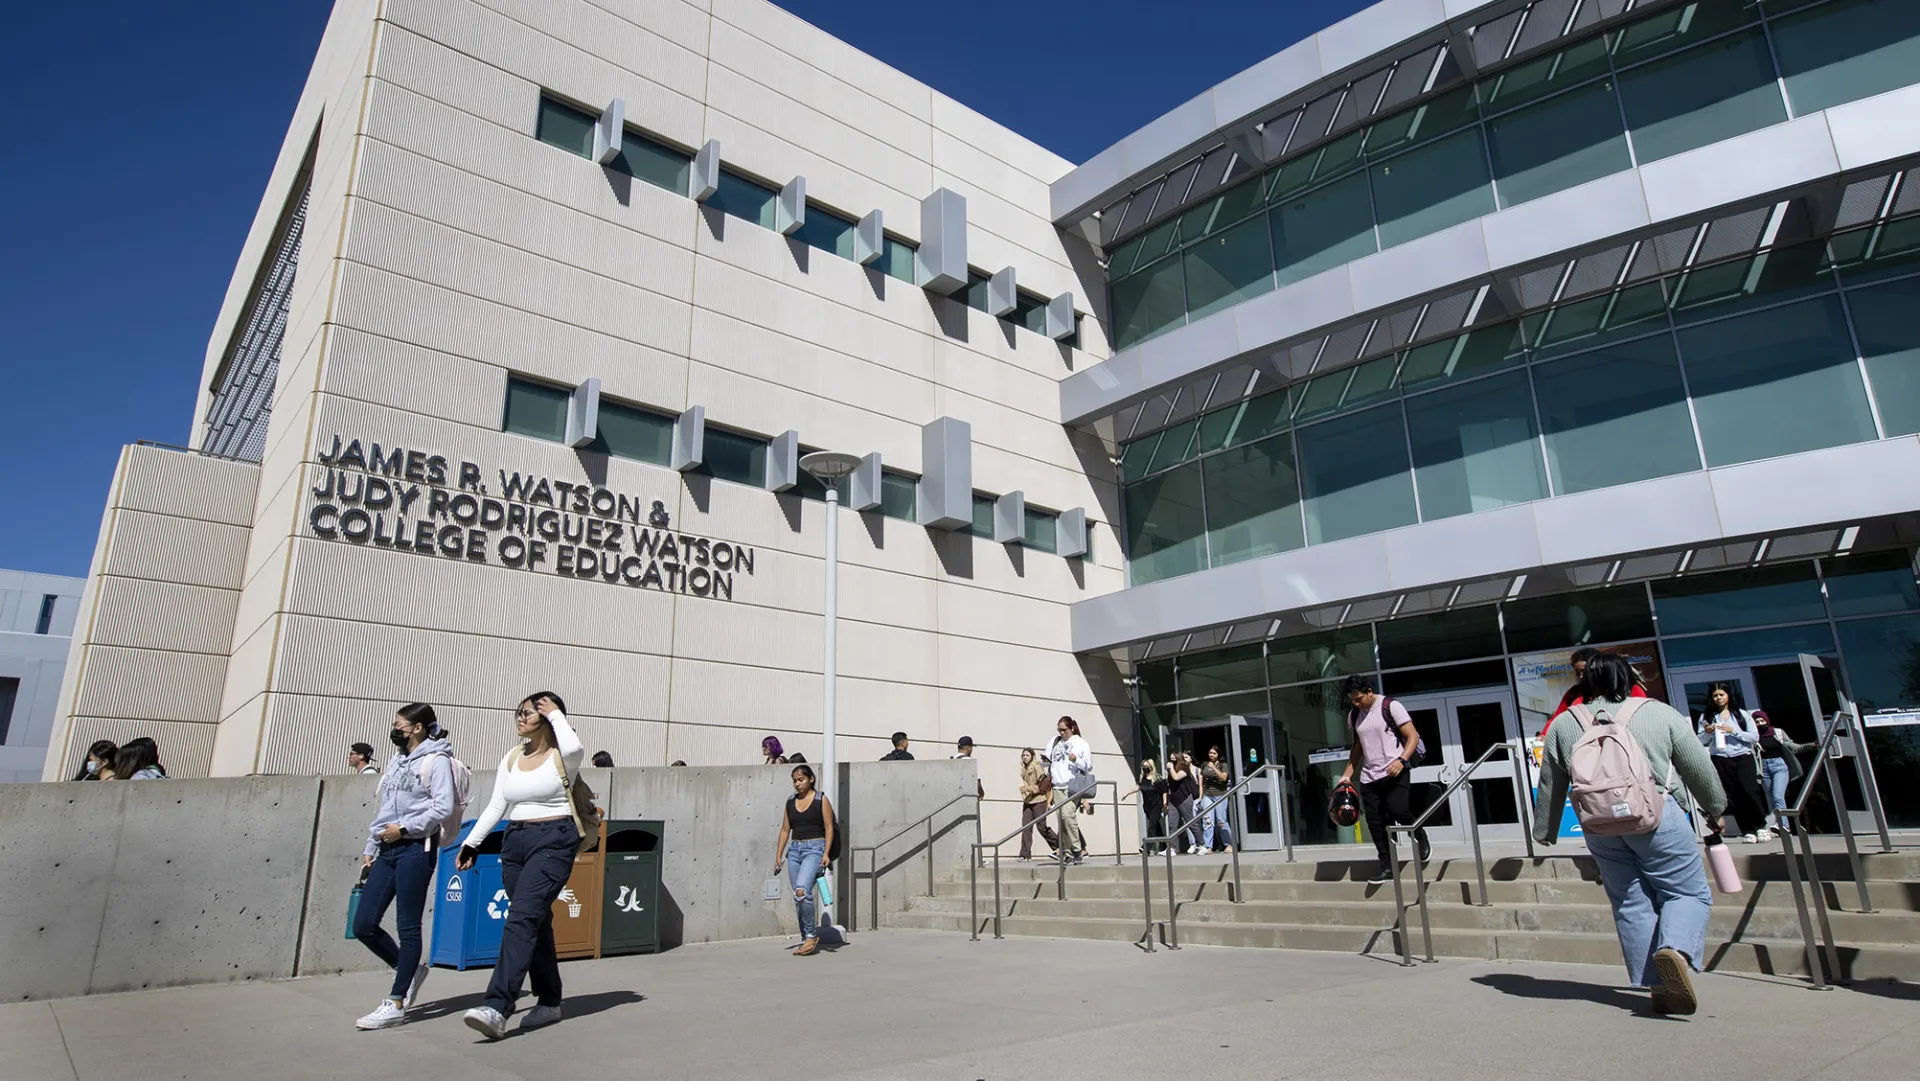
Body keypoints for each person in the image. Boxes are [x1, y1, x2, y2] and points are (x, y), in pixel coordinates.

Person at [1534, 653, 1727, 1015]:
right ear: (1627, 679)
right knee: (1686, 892)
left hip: (1599, 825)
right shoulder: (1656, 712)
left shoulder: (1563, 723)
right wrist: (1715, 809)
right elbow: (1697, 765)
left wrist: (1545, 829)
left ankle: (1657, 985)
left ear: (1585, 683)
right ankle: (1675, 951)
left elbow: (1551, 781)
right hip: (1656, 815)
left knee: (1629, 900)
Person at [456, 692, 583, 1039]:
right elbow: (497, 804)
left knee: (521, 918)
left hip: (554, 840)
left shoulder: (563, 755)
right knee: (535, 921)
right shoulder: (512, 757)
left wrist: (555, 714)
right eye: (519, 713)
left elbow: (574, 747)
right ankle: (550, 1001)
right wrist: (472, 842)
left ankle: (497, 1006)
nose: (520, 718)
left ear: (547, 717)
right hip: (515, 841)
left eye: (529, 713)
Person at [352, 703, 455, 1030]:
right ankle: (409, 971)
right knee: (363, 924)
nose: (395, 730)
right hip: (387, 849)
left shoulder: (436, 760)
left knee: (408, 926)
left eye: (400, 725)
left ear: (418, 728)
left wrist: (406, 829)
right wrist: (371, 846)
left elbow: (443, 806)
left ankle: (396, 1002)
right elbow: (385, 809)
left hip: (416, 849)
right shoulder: (396, 762)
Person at [1337, 674, 1429, 884]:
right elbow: (1357, 747)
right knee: (1376, 824)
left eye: (1359, 699)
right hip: (1369, 777)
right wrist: (1347, 775)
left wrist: (1402, 760)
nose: (1356, 703)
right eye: (1352, 700)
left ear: (1370, 692)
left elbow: (1413, 736)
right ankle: (1387, 866)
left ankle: (1419, 834)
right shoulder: (1354, 715)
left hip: (1395, 771)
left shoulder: (1390, 706)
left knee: (1398, 810)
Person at [771, 763, 836, 956]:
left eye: (801, 780)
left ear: (811, 779)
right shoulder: (791, 801)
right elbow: (785, 830)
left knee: (802, 890)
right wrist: (778, 856)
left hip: (814, 849)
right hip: (795, 851)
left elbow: (829, 827)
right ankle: (806, 937)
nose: (797, 784)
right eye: (794, 781)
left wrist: (826, 853)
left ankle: (810, 936)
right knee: (798, 896)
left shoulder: (820, 799)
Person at [1694, 683, 1771, 841]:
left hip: (1742, 756)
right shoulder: (1706, 717)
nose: (1718, 698)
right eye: (1715, 695)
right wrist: (1708, 733)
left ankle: (1761, 825)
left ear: (1728, 696)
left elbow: (1754, 737)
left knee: (1750, 790)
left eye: (1721, 694)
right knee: (1734, 795)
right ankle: (1747, 829)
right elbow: (1700, 740)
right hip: (1721, 758)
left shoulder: (1741, 715)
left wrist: (1733, 731)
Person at [1548, 647, 1648, 723]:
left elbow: (1644, 716)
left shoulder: (1629, 690)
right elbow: (1557, 719)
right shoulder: (1574, 693)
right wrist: (1544, 735)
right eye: (1577, 672)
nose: (1581, 676)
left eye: (1585, 671)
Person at [1046, 717, 1092, 864]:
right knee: (1062, 820)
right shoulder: (1055, 741)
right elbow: (1049, 760)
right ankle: (1068, 852)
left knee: (1067, 816)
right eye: (1059, 730)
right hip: (1057, 785)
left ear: (1071, 728)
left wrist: (1076, 760)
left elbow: (1089, 766)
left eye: (1064, 730)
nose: (1061, 733)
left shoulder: (1080, 743)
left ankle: (1077, 850)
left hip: (1072, 785)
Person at [1753, 710, 1804, 833]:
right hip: (1764, 768)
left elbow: (1792, 746)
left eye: (1762, 721)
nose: (1760, 724)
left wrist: (1810, 745)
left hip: (1779, 766)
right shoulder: (1754, 736)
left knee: (1777, 795)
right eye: (1757, 722)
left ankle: (1783, 825)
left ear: (1767, 720)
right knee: (1772, 798)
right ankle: (1781, 825)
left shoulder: (1777, 732)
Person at [1016, 748, 1058, 861]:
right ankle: (1025, 854)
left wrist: (1028, 789)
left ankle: (1059, 846)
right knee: (1026, 827)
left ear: (1032, 756)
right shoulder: (1024, 768)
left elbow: (1043, 784)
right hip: (1028, 800)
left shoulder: (1036, 766)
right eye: (1023, 755)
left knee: (1041, 827)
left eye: (1027, 755)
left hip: (1039, 800)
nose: (1025, 757)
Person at [1124, 758, 1168, 853]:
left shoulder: (1158, 779)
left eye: (1147, 766)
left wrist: (1165, 804)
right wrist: (1127, 794)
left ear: (1151, 767)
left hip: (1157, 806)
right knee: (1156, 827)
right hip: (1148, 807)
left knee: (1152, 826)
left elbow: (1164, 792)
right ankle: (1164, 847)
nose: (1145, 768)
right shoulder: (1143, 779)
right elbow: (1138, 787)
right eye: (1143, 766)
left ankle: (1146, 847)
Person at [1198, 746, 1234, 853]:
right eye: (1210, 753)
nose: (1211, 755)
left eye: (1214, 753)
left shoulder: (1223, 765)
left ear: (1218, 754)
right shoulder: (1205, 764)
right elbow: (1201, 782)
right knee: (1208, 821)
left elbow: (1224, 778)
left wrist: (1214, 768)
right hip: (1207, 795)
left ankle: (1228, 844)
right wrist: (1200, 796)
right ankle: (1208, 846)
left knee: (1221, 821)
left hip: (1220, 795)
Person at [1166, 752, 1201, 854]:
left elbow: (1176, 777)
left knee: (1190, 823)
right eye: (1170, 760)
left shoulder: (1184, 768)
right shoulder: (1172, 769)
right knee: (1172, 824)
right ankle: (1172, 848)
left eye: (1174, 759)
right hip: (1173, 800)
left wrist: (1171, 768)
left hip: (1184, 799)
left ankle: (1201, 844)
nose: (1172, 762)